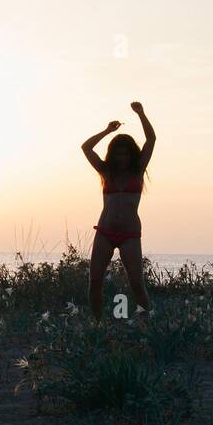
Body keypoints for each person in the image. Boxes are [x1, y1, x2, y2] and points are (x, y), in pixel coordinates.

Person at [81, 101, 155, 319]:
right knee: (95, 281)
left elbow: (151, 140)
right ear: (113, 155)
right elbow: (86, 147)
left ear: (132, 155)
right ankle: (97, 324)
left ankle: (147, 324)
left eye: (126, 154)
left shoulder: (138, 170)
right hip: (105, 232)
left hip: (130, 234)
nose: (122, 159)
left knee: (136, 283)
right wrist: (107, 131)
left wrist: (141, 113)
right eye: (118, 154)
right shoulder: (106, 171)